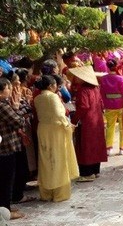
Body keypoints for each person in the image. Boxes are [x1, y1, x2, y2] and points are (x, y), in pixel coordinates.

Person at [33, 75, 78, 203]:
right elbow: (59, 114)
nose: (55, 87)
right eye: (54, 84)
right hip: (56, 130)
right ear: (50, 86)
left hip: (43, 129)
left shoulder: (37, 98)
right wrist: (68, 125)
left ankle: (46, 193)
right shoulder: (53, 97)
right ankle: (60, 193)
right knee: (59, 159)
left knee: (45, 160)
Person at [69, 66, 107, 182]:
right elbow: (101, 104)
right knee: (96, 144)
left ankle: (87, 172)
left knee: (86, 146)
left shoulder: (83, 90)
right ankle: (95, 170)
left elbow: (83, 107)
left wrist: (74, 120)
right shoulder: (95, 88)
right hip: (97, 120)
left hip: (87, 122)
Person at [0, 77, 26, 219]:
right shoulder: (2, 106)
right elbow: (18, 122)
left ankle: (6, 207)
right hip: (5, 147)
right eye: (9, 88)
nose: (11, 91)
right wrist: (17, 109)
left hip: (4, 146)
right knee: (6, 181)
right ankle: (6, 211)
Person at [99, 59, 123, 156]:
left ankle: (109, 148)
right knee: (122, 127)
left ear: (107, 66)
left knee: (110, 127)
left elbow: (101, 94)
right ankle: (122, 148)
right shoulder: (121, 79)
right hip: (121, 105)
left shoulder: (103, 79)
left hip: (109, 106)